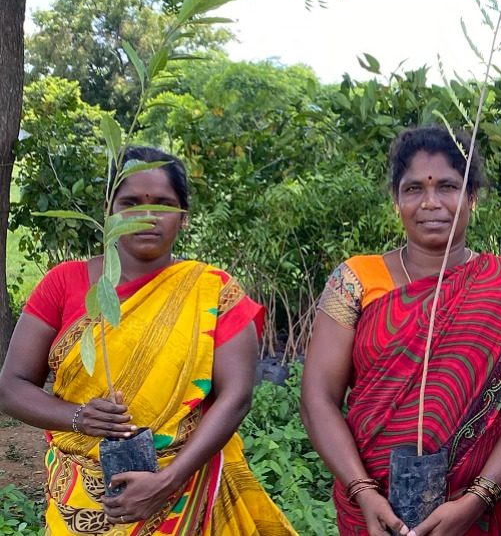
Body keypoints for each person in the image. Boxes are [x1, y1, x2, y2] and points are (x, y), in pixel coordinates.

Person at [0, 147, 294, 534]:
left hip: (187, 487)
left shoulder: (212, 292)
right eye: (131, 202)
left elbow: (236, 396)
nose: (147, 215)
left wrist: (166, 483)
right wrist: (78, 417)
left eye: (164, 204)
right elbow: (11, 387)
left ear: (184, 217)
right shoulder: (64, 283)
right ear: (110, 209)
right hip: (80, 500)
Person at [300, 125, 501, 536]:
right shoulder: (355, 280)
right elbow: (318, 398)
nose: (431, 203)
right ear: (396, 199)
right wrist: (364, 492)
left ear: (472, 196)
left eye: (448, 187)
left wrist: (478, 497)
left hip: (480, 512)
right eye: (413, 190)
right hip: (374, 511)